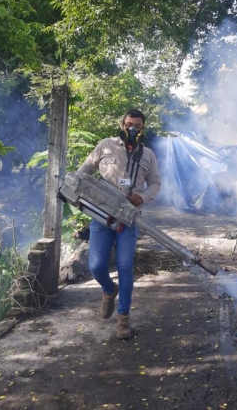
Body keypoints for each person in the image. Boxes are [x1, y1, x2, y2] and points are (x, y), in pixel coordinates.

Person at [77, 109, 161, 339]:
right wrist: (85, 191)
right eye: (129, 124)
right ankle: (108, 289)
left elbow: (155, 183)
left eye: (138, 126)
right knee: (96, 265)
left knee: (125, 266)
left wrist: (142, 197)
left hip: (129, 218)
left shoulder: (148, 155)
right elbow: (84, 171)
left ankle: (123, 318)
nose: (132, 129)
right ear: (122, 124)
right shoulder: (105, 146)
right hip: (101, 215)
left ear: (142, 128)